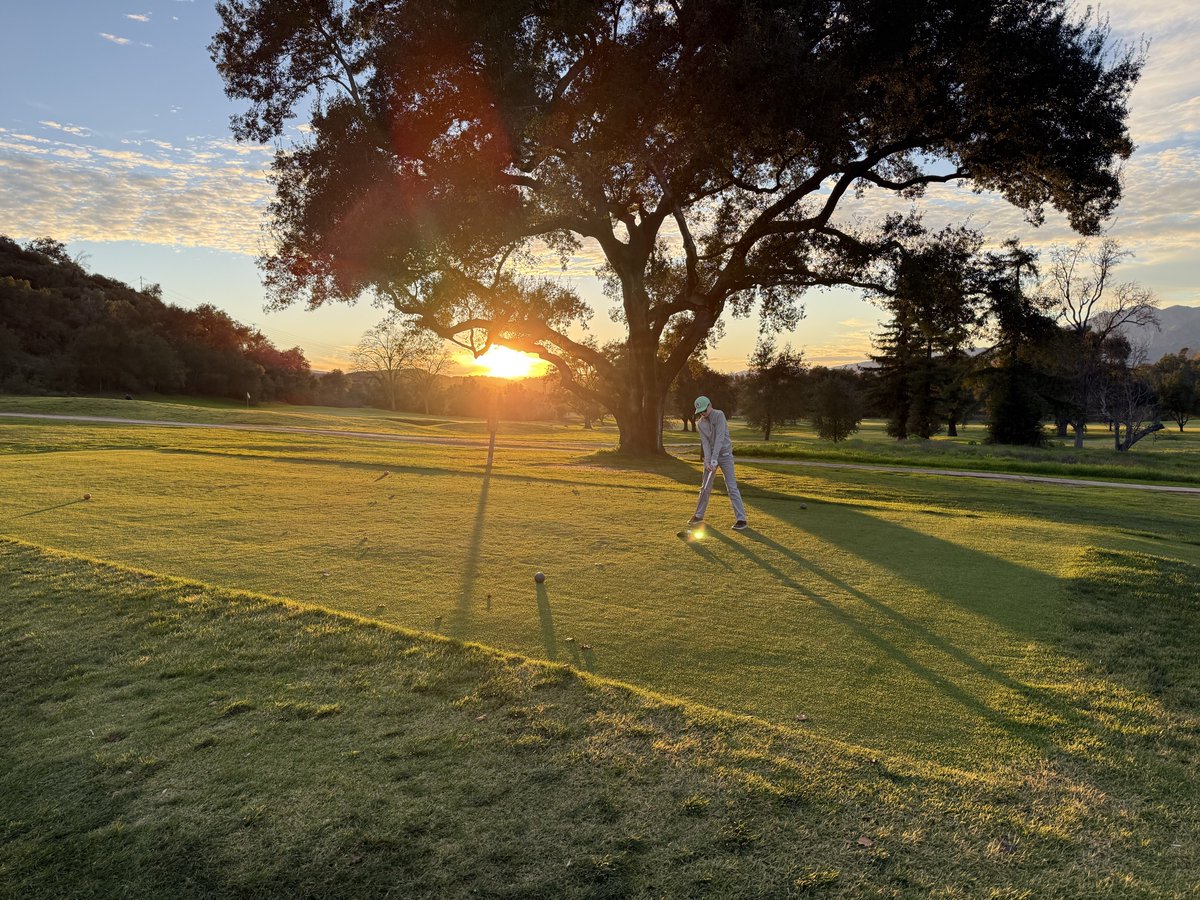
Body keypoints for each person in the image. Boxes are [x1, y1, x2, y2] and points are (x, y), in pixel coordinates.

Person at [689, 395, 747, 530]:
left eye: (705, 410)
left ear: (710, 405)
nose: (703, 413)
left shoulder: (719, 415)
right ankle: (698, 516)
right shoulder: (700, 424)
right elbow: (705, 444)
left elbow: (720, 437)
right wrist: (708, 461)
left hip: (725, 456)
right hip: (711, 458)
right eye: (701, 412)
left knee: (732, 487)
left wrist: (715, 458)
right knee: (705, 487)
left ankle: (741, 519)